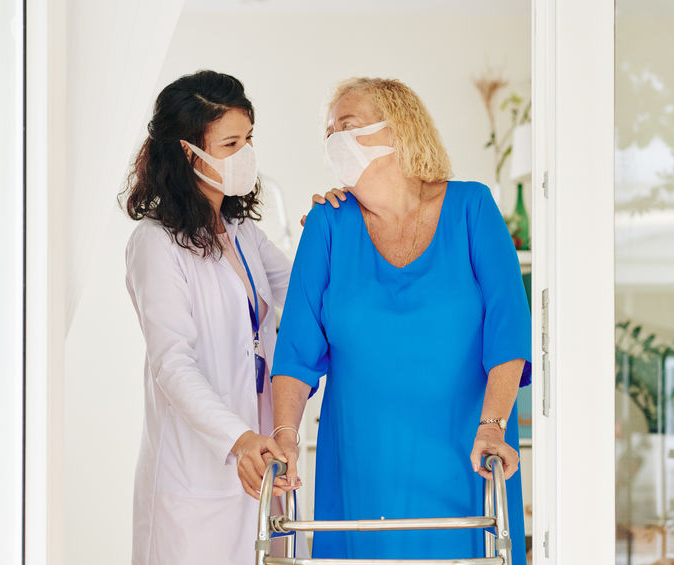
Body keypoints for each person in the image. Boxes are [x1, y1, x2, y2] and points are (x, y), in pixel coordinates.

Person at [245, 77, 532, 562]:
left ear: (399, 130)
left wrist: (494, 426)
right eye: (329, 131)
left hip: (466, 453)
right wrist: (286, 437)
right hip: (361, 465)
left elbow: (509, 333)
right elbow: (295, 351)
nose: (335, 139)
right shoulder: (328, 225)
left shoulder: (472, 209)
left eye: (348, 126)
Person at [122, 70, 310, 565]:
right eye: (230, 143)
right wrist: (239, 437)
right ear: (188, 152)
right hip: (196, 480)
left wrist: (332, 230)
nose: (245, 153)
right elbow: (172, 363)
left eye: (248, 139)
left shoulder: (240, 230)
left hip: (262, 462)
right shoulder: (155, 243)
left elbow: (302, 296)